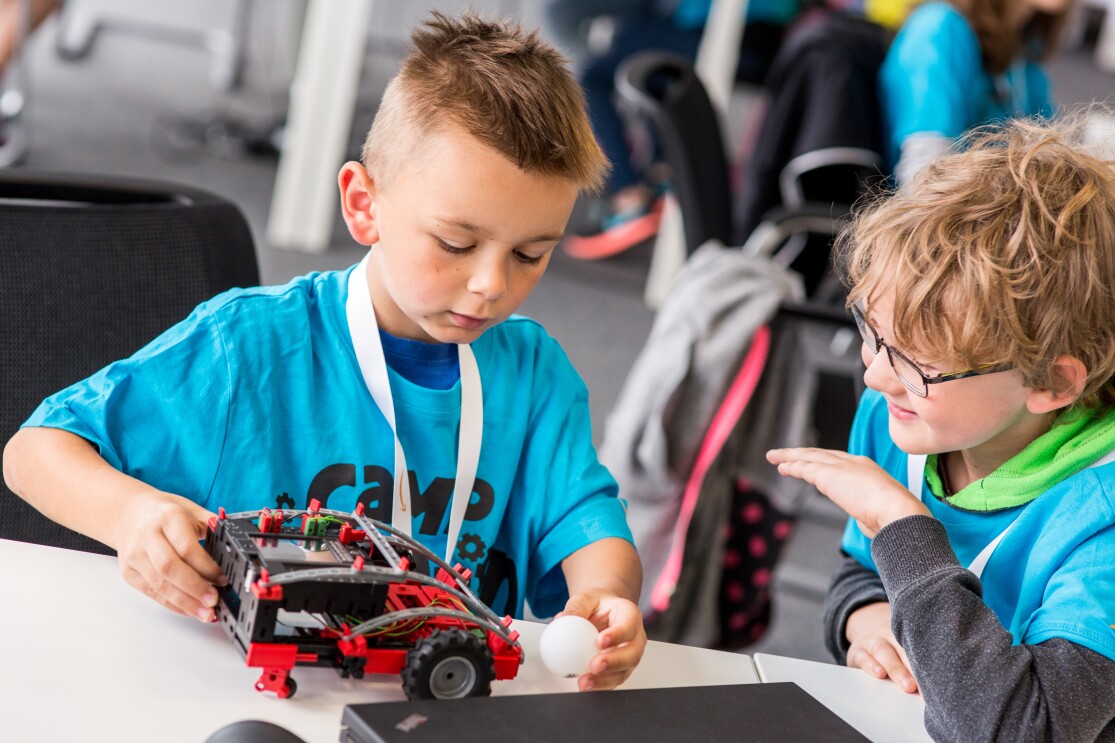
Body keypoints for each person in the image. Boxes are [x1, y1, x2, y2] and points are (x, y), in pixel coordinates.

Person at [1, 11, 646, 692]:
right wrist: (129, 514)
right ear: (363, 204)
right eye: (456, 244)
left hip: (443, 696)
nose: (491, 284)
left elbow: (586, 522)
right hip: (241, 689)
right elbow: (35, 451)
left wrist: (606, 594)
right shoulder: (248, 347)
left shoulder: (533, 375)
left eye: (530, 253)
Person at [767, 113, 1115, 740]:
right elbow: (863, 567)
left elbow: (1026, 731)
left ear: (1053, 384)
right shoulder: (900, 417)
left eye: (917, 363)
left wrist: (905, 529)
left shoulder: (1101, 521)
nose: (874, 377)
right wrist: (865, 619)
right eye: (872, 334)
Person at [548, 0, 799, 259]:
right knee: (651, 68)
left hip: (733, 32)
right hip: (750, 32)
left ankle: (630, 198)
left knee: (595, 78)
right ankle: (660, 175)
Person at [880, 0, 1073, 185]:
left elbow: (1053, 150)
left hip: (1001, 209)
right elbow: (921, 177)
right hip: (947, 213)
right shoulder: (939, 28)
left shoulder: (1024, 50)